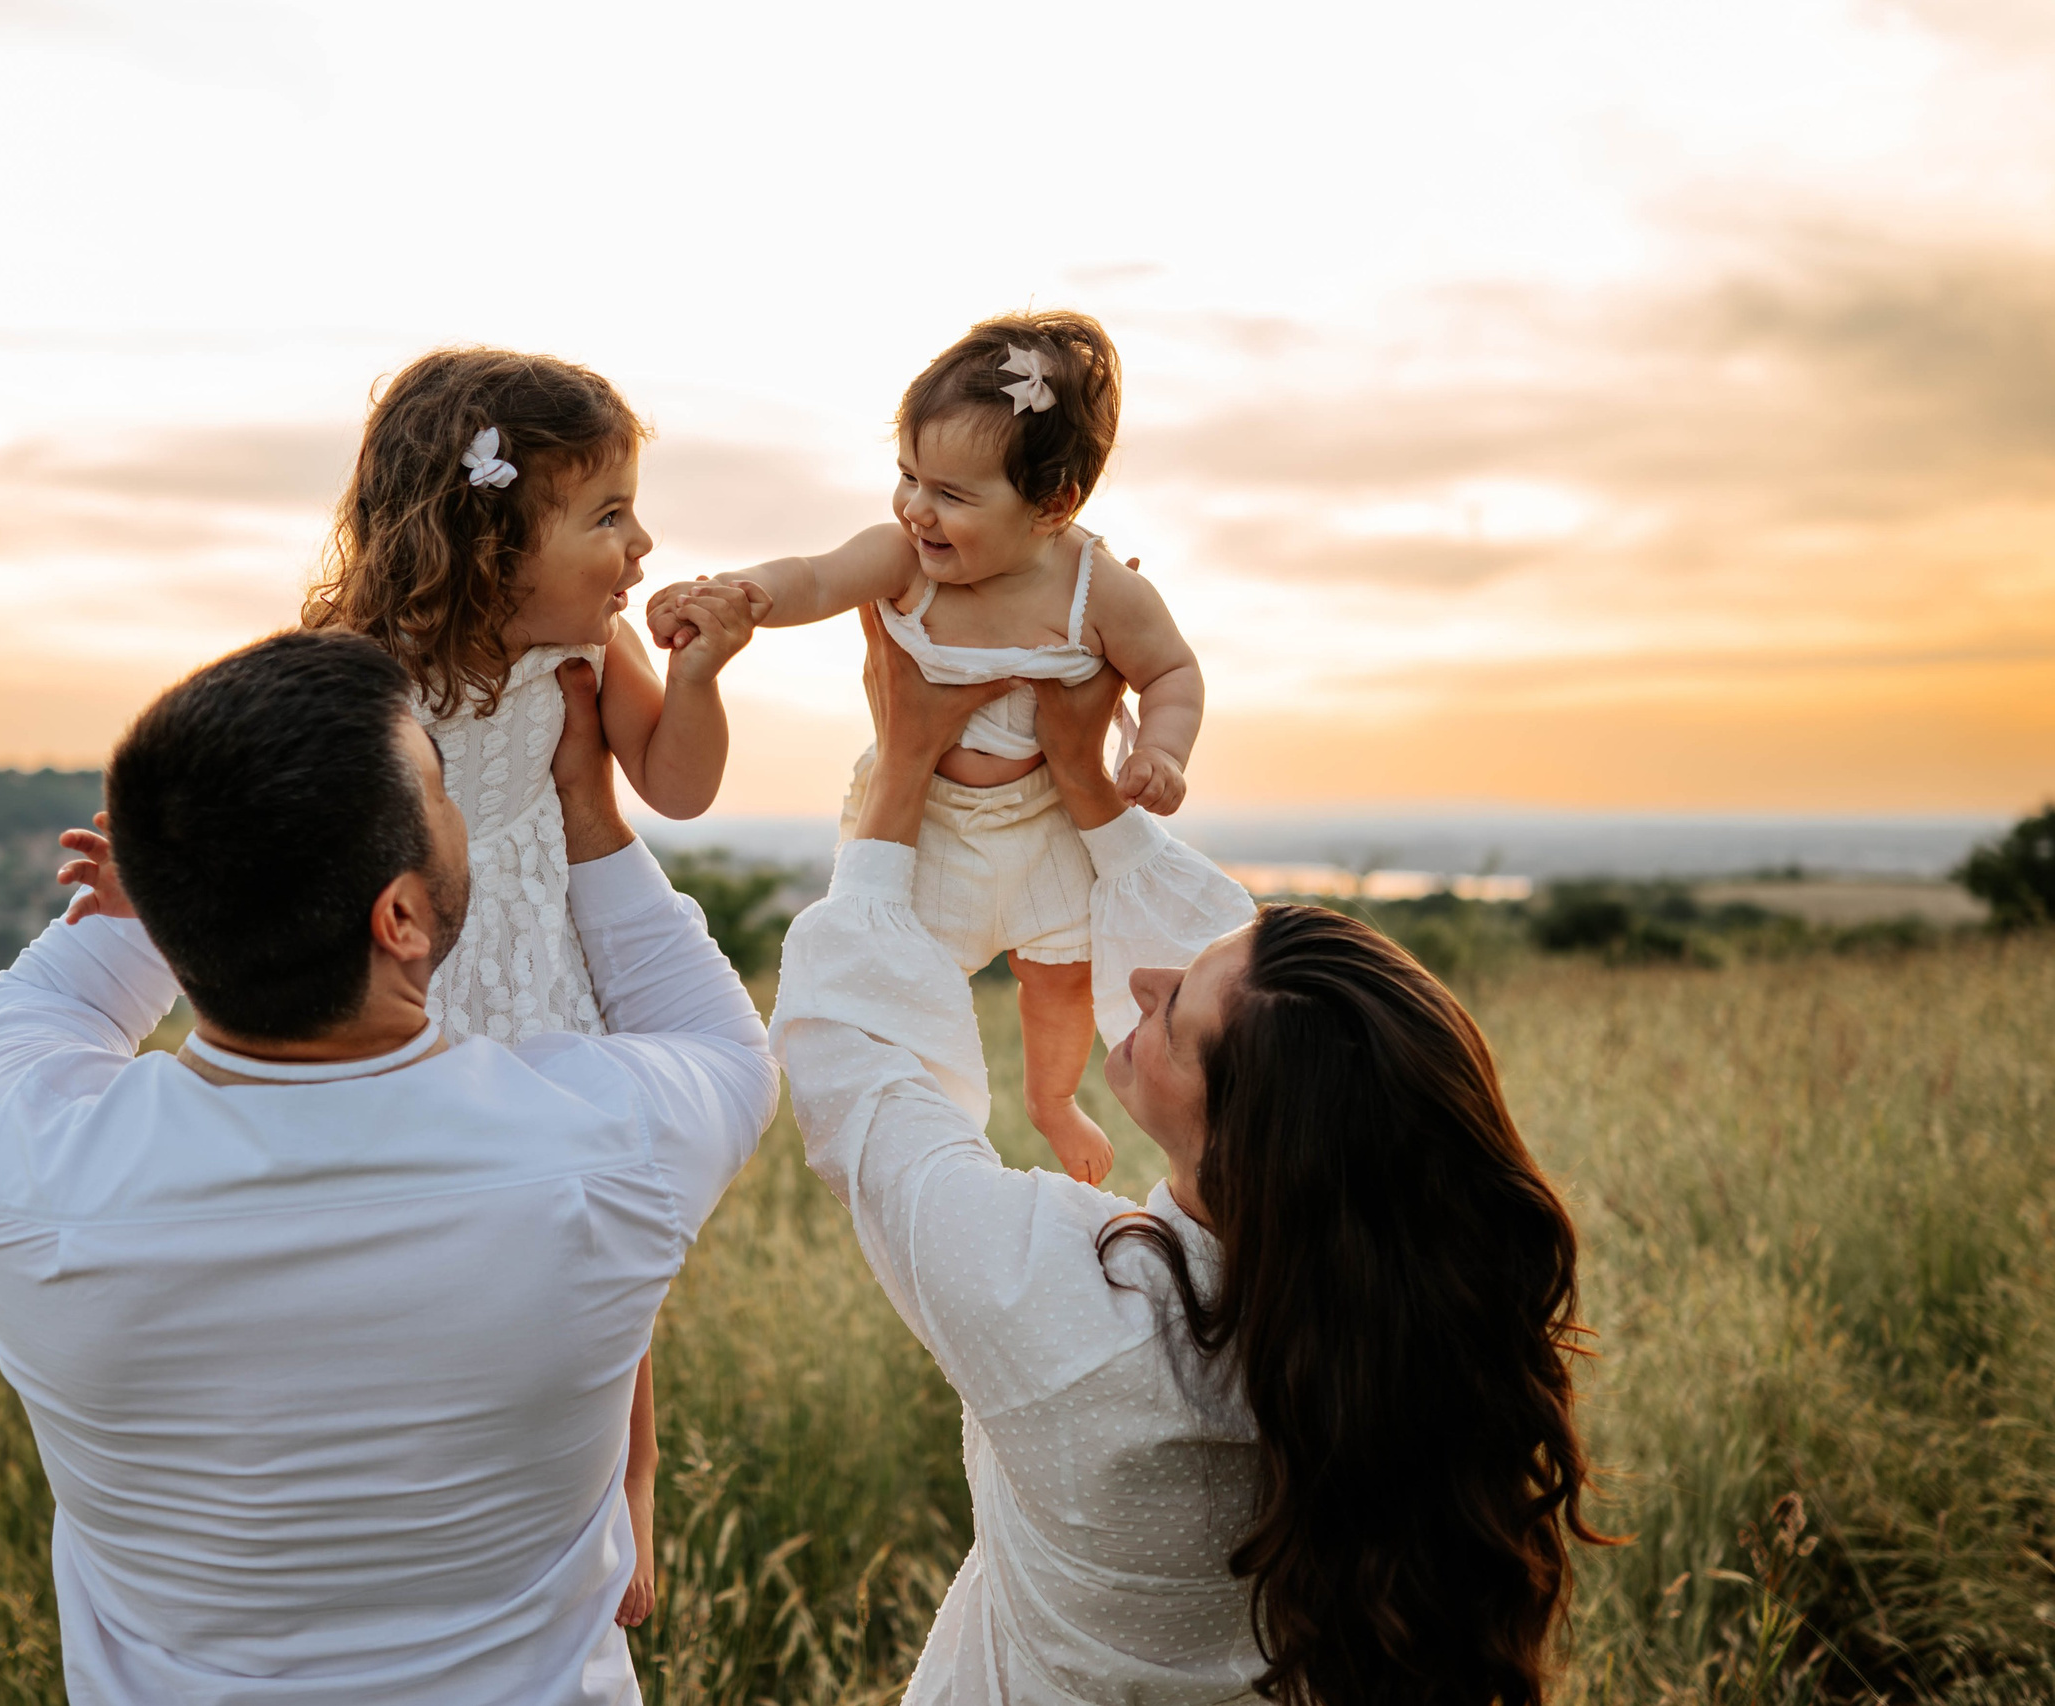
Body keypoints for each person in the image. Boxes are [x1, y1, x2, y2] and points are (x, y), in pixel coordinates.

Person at [0, 629, 777, 1704]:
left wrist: (177, 882)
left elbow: (61, 995)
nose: (457, 805)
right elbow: (721, 1041)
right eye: (439, 784)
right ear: (400, 917)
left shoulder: (12, 1168)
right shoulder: (596, 1151)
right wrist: (590, 811)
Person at [767, 609, 1605, 1705]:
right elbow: (1231, 978)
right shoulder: (1407, 1349)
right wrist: (1085, 780)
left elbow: (860, 1072)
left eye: (1172, 1011)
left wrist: (903, 766)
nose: (1143, 981)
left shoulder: (1064, 1310)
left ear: (1250, 1145)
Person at [303, 348, 767, 1619]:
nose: (641, 544)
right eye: (607, 515)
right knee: (429, 1234)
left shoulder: (589, 648)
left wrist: (697, 678)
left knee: (599, 1230)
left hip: (542, 970)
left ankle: (630, 1488)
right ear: (493, 541)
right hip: (416, 980)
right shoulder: (360, 674)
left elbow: (678, 785)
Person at [654, 310, 1200, 1189]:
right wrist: (740, 594)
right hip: (928, 824)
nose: (915, 509)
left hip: (1046, 822)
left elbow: (1171, 670)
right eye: (907, 476)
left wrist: (1163, 752)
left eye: (951, 494)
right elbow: (814, 577)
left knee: (1060, 972)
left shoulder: (1097, 589)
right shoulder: (902, 558)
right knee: (903, 969)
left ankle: (1053, 1099)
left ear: (1052, 507)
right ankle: (927, 1116)